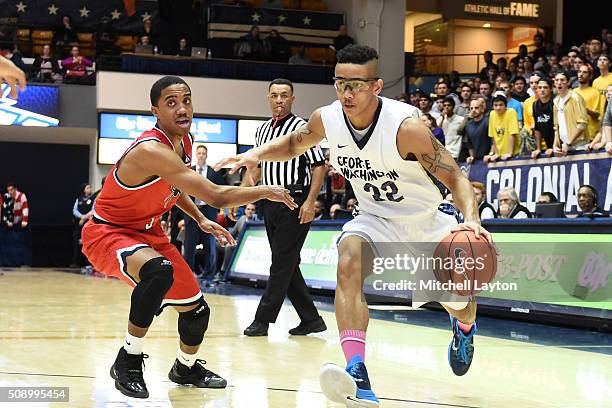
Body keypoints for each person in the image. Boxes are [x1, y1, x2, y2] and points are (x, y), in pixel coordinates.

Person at [216, 45, 491, 407]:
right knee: (347, 259)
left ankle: (465, 327)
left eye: (356, 85)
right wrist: (255, 154)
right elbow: (295, 142)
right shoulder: (327, 118)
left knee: (458, 304)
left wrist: (471, 219)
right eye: (340, 83)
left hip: (425, 220)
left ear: (376, 86)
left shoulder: (406, 128)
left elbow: (455, 177)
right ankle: (357, 371)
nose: (347, 92)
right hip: (374, 217)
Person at [80, 76, 297, 399]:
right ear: (155, 110)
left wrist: (199, 219)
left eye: (187, 100)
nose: (182, 109)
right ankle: (128, 360)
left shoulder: (184, 141)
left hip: (148, 233)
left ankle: (186, 367)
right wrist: (265, 190)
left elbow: (174, 185)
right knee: (158, 271)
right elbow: (217, 196)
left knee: (196, 311)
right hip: (108, 233)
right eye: (171, 103)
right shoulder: (151, 149)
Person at [239, 78, 327, 337]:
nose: (279, 100)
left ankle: (262, 320)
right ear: (268, 98)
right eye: (275, 95)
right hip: (270, 201)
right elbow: (255, 165)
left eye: (284, 95)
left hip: (294, 199)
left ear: (292, 99)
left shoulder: (301, 127)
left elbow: (319, 164)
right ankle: (311, 319)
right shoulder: (262, 130)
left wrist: (310, 201)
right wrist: (246, 194)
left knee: (280, 264)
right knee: (286, 263)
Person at [183, 145, 226, 284]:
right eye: (199, 153)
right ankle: (188, 275)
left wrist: (221, 208)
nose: (201, 155)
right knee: (189, 246)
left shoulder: (214, 172)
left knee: (210, 245)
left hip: (209, 212)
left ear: (206, 155)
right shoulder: (189, 171)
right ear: (196, 155)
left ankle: (209, 276)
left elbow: (221, 190)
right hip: (192, 212)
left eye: (203, 153)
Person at [71, 183, 94, 268]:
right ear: (84, 189)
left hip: (88, 224)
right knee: (77, 243)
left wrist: (84, 218)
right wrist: (81, 216)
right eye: (88, 188)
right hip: (78, 224)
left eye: (90, 187)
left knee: (87, 242)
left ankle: (88, 262)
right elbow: (74, 210)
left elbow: (93, 210)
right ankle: (76, 262)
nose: (90, 189)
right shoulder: (79, 199)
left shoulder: (93, 199)